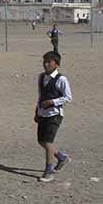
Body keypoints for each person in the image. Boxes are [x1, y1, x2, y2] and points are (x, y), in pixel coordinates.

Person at [35, 51, 72, 182]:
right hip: (42, 114)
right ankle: (62, 157)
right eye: (44, 61)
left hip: (55, 115)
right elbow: (40, 96)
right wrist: (36, 111)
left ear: (56, 64)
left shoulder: (61, 79)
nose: (46, 64)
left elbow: (68, 97)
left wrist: (52, 102)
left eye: (49, 62)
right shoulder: (41, 77)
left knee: (48, 143)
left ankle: (48, 171)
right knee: (41, 141)